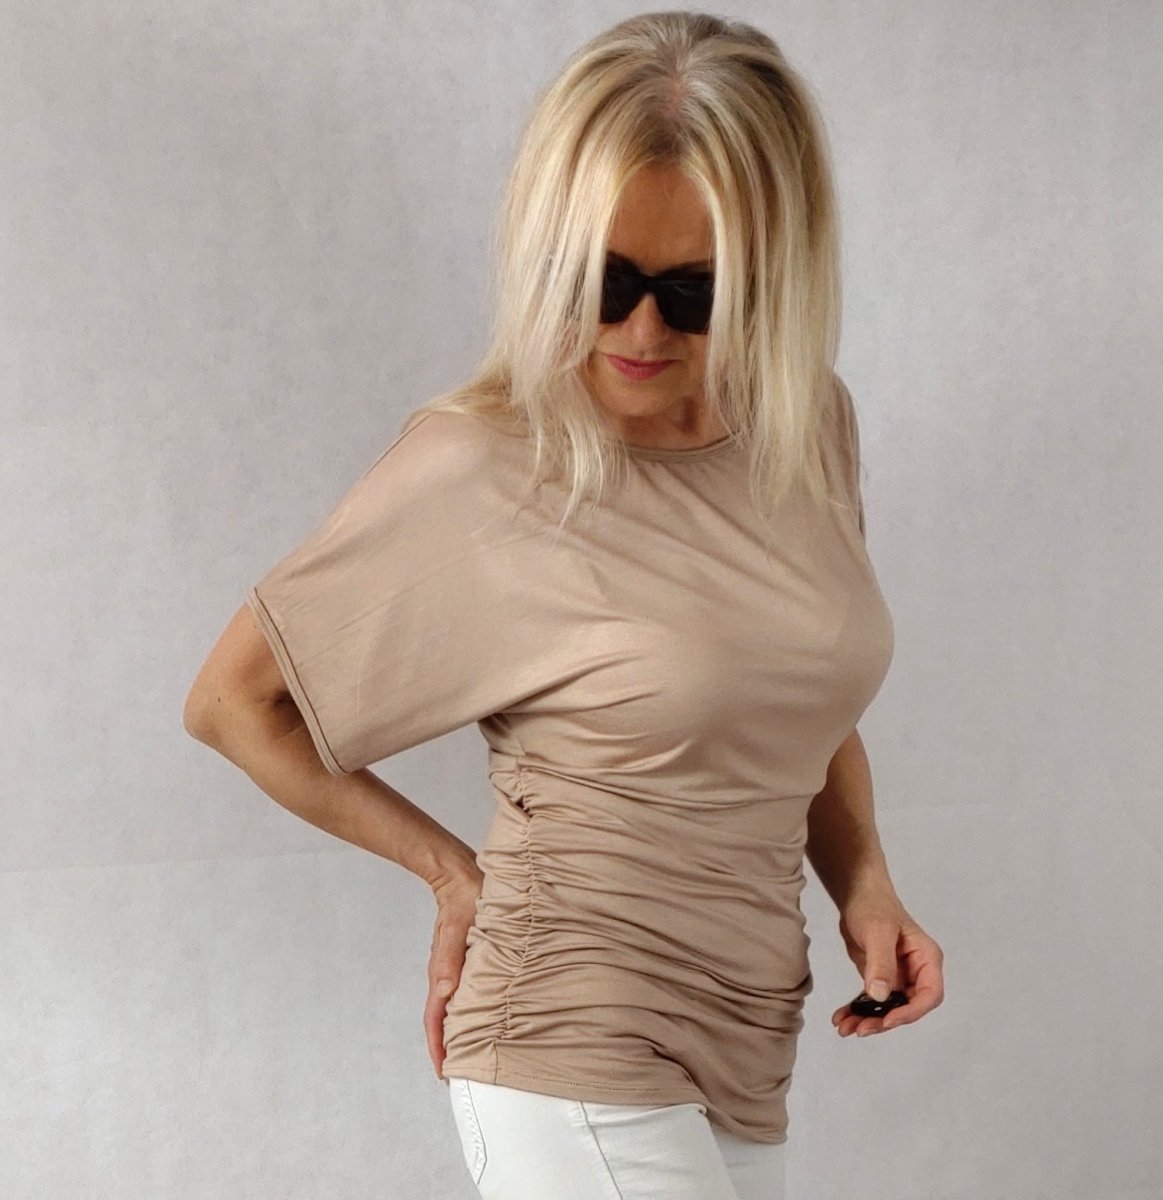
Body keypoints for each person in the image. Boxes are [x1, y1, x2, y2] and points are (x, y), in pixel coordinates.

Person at [183, 10, 945, 1199]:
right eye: (602, 280)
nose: (638, 331)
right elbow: (235, 702)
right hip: (566, 1037)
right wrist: (449, 874)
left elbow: (794, 696)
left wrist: (864, 884)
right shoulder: (488, 464)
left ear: (773, 271)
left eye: (693, 293)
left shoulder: (808, 427)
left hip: (750, 1048)